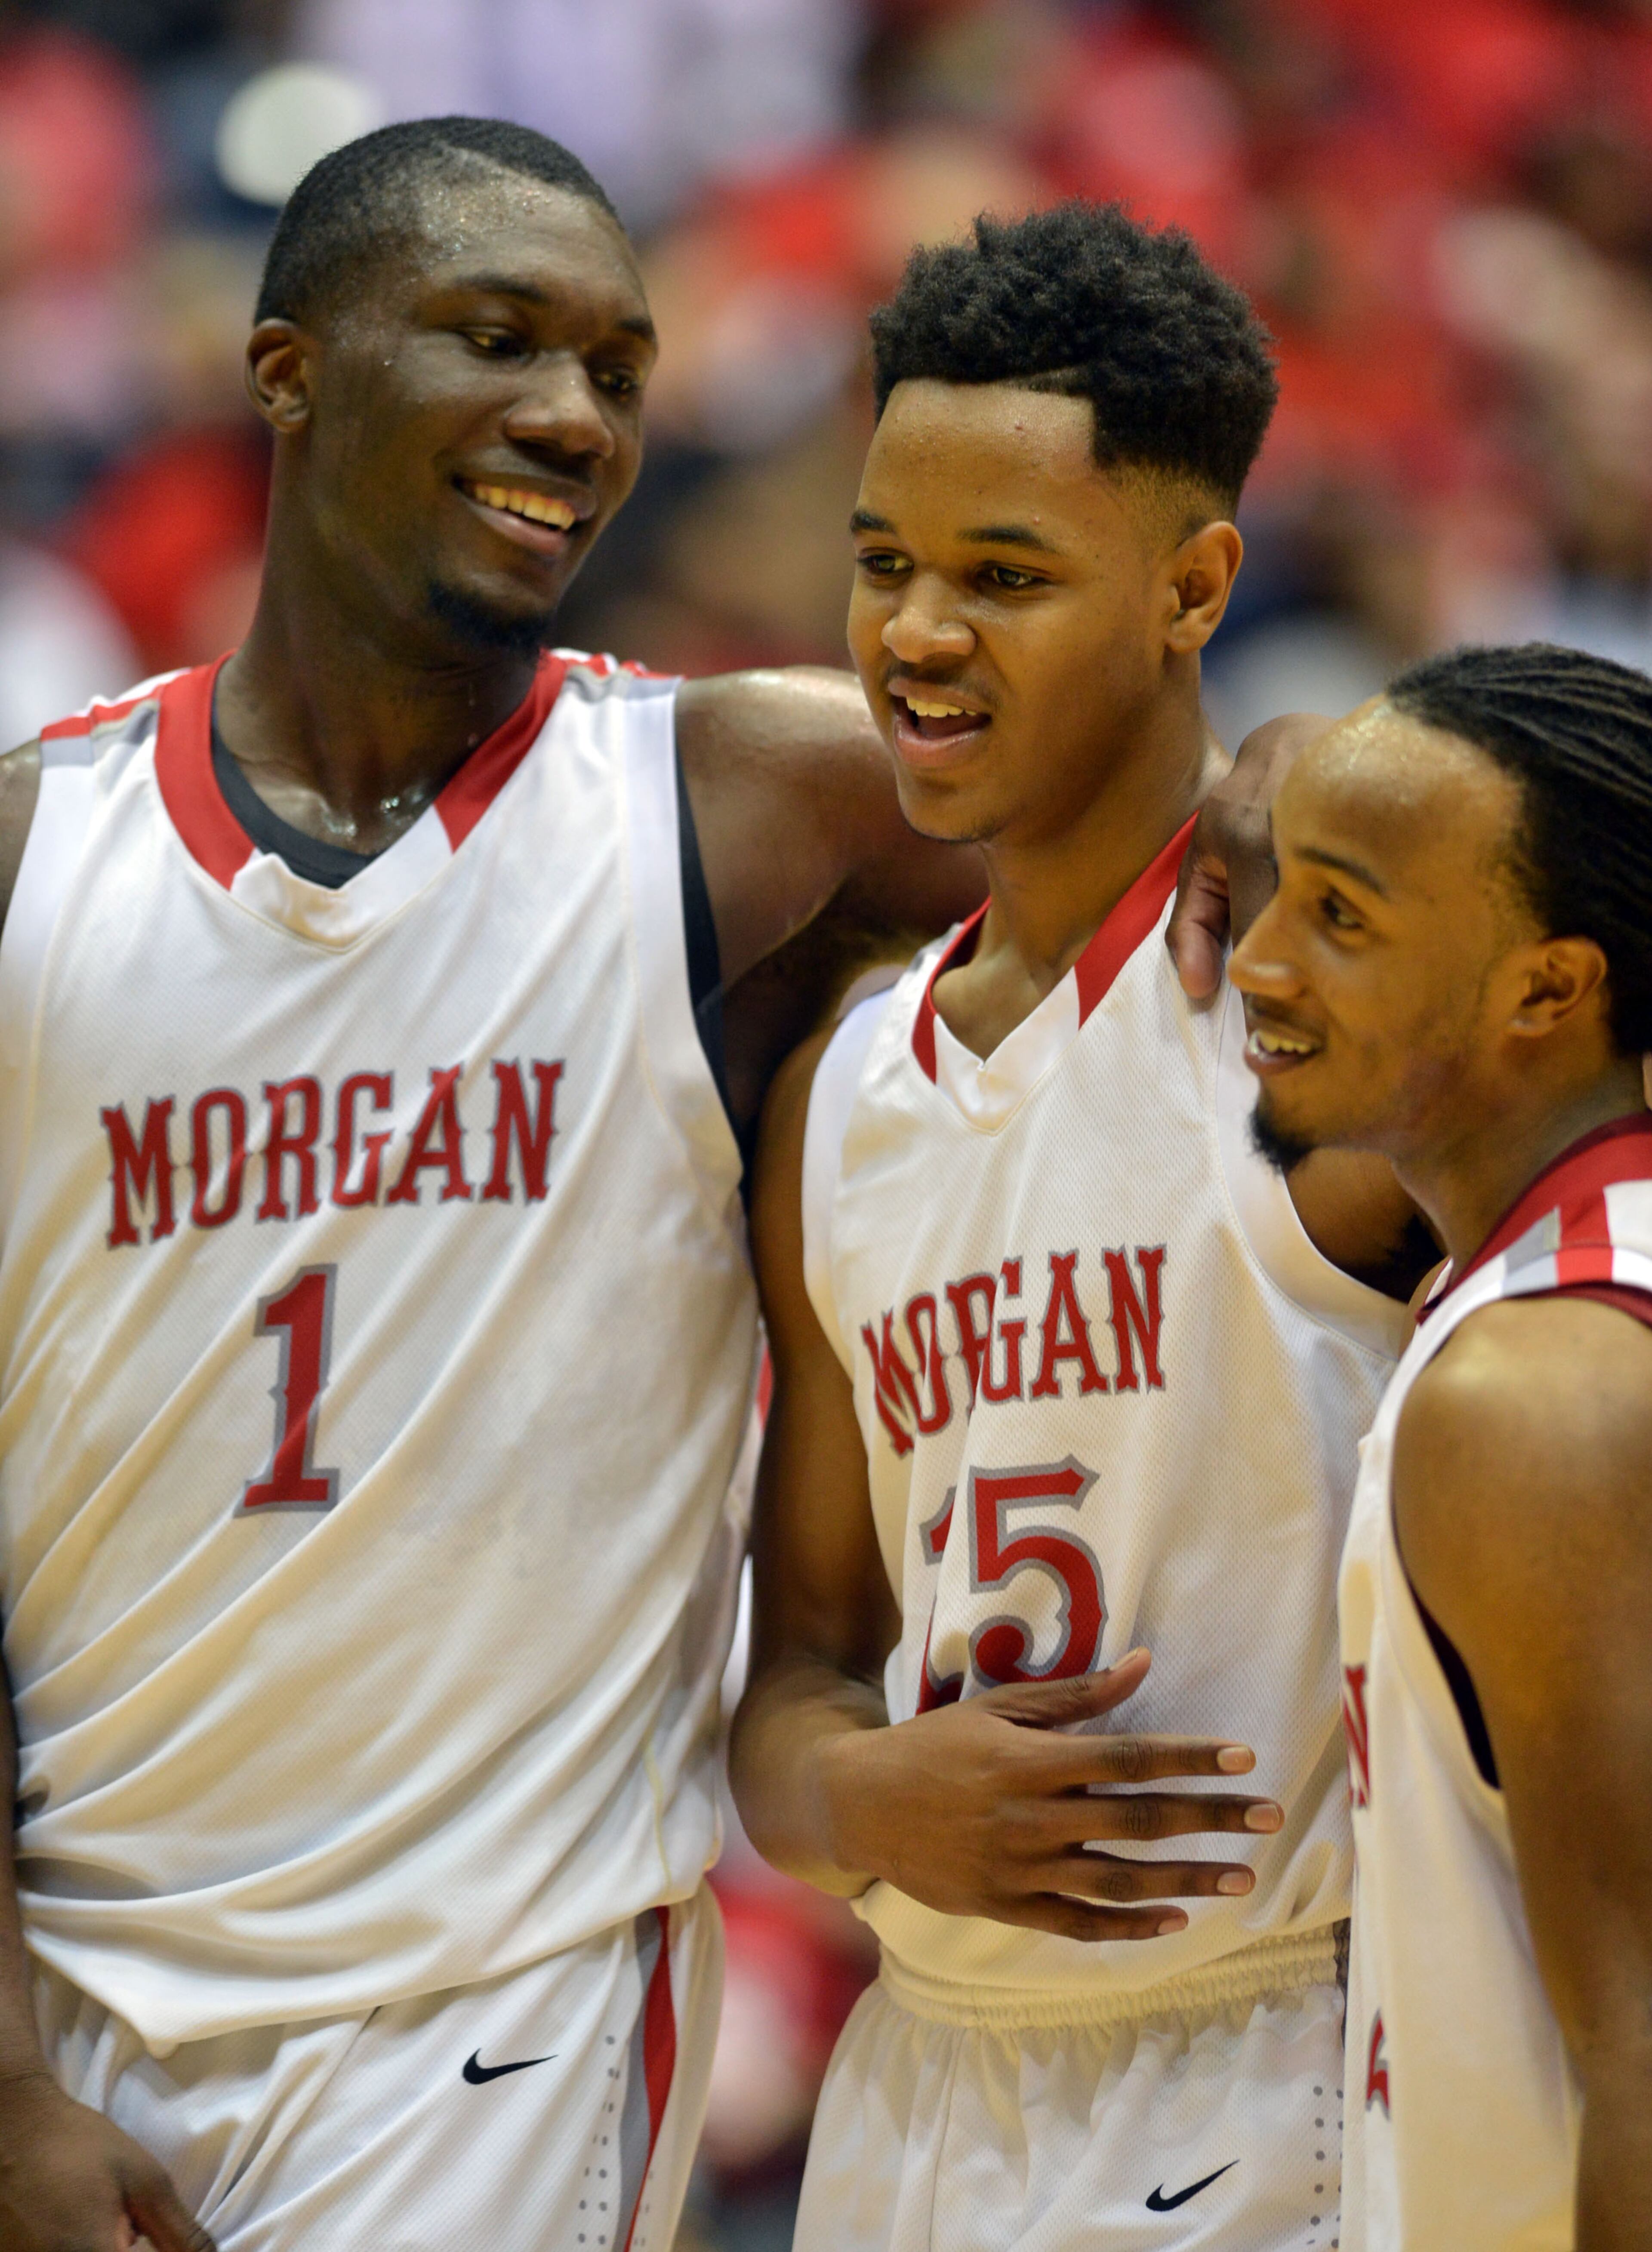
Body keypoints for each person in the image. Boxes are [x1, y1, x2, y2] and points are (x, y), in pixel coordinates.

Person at [0, 114, 1011, 2252]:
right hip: (72, 1987)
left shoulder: (749, 795)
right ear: (289, 369)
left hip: (504, 2001)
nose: (573, 415)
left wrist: (1278, 776)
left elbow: (1210, 860)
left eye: (623, 369)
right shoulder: (30, 864)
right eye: (497, 337)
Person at [728, 201, 1431, 2252]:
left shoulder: (1313, 1006)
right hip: (921, 2072)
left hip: (1281, 2050)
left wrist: (1331, 777)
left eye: (1006, 577)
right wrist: (860, 1798)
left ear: (1196, 584)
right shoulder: (841, 1096)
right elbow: (801, 1682)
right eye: (886, 564)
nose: (918, 634)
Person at [1230, 642, 1652, 2252]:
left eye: (1341, 915)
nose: (1261, 963)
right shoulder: (1549, 1281)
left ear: (1551, 988)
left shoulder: (1535, 1391)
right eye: (1275, 891)